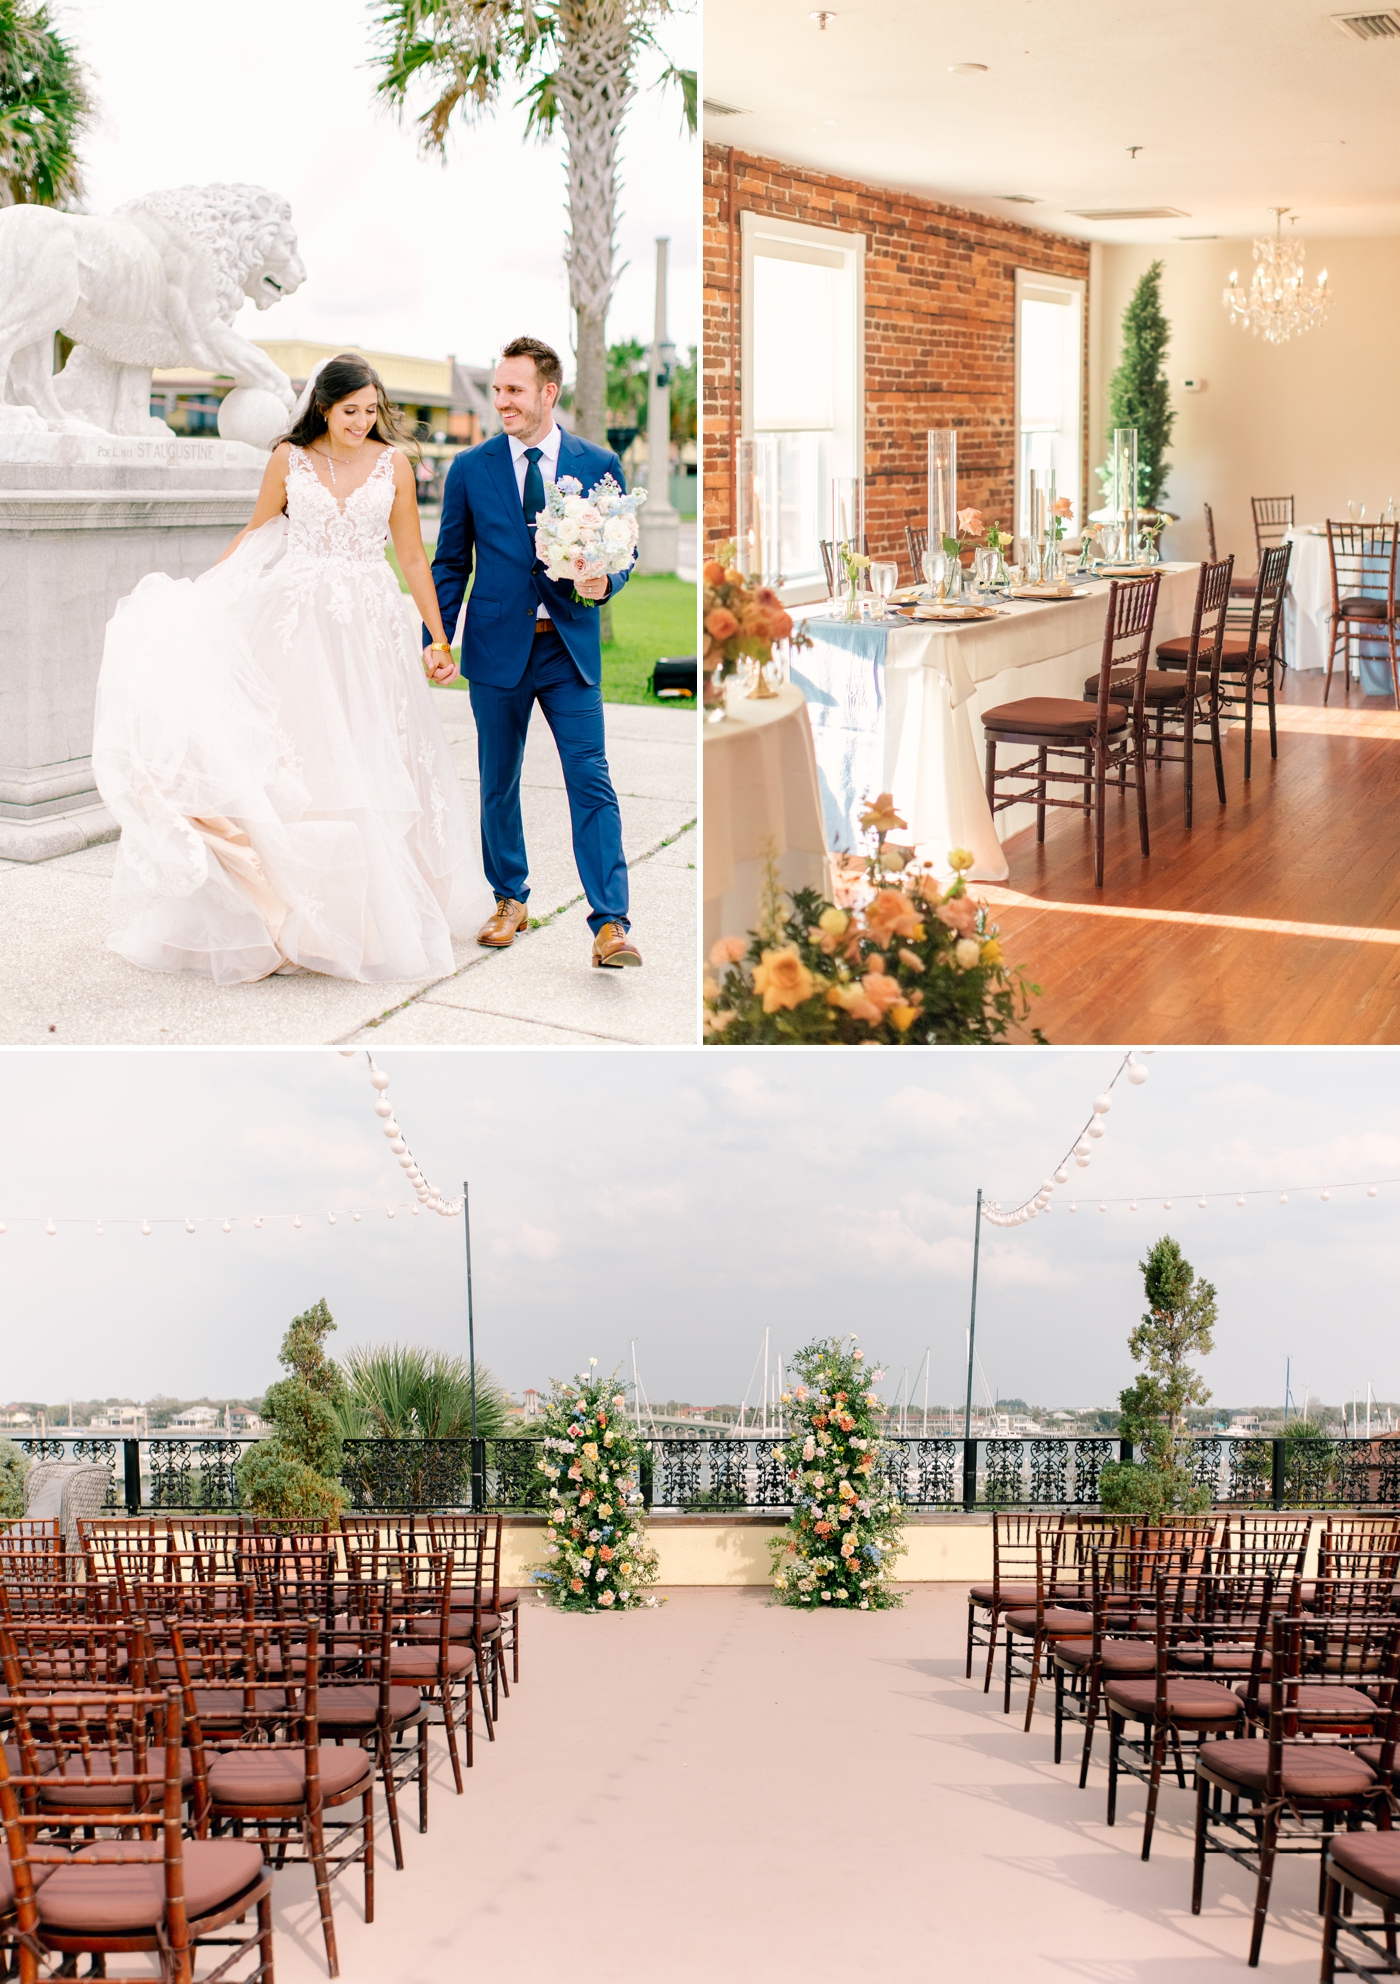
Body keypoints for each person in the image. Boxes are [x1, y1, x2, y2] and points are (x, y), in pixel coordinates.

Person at [92, 353, 494, 983]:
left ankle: (370, 919)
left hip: (368, 629)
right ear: (324, 407)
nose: (361, 423)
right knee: (300, 754)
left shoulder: (395, 466)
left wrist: (439, 638)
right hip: (296, 623)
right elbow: (257, 533)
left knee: (369, 757)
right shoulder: (288, 458)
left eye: (371, 412)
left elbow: (413, 558)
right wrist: (205, 598)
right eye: (349, 411)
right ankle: (285, 910)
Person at [429, 335, 642, 969]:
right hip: (496, 650)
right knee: (499, 782)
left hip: (567, 650)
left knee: (591, 781)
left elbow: (624, 546)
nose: (502, 401)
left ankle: (611, 924)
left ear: (548, 393)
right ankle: (508, 899)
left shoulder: (597, 462)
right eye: (497, 390)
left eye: (514, 390)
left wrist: (609, 579)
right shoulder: (470, 468)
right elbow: (450, 562)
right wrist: (438, 638)